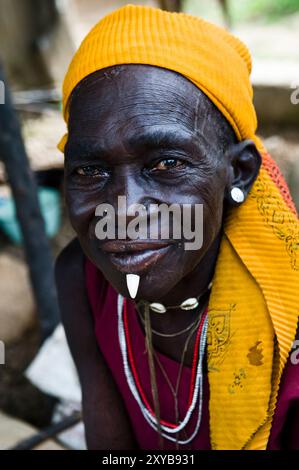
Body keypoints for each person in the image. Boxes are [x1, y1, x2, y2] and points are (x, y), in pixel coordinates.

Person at [55, 5, 299, 450]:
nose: (125, 210)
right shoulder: (82, 279)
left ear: (238, 173)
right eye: (91, 171)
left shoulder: (291, 310)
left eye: (167, 163)